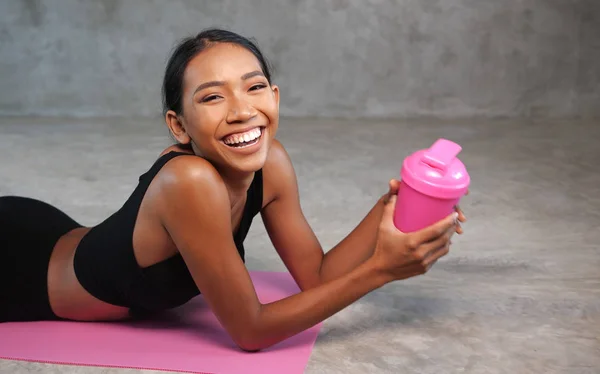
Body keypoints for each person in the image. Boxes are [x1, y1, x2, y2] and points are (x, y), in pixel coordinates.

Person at [0, 28, 466, 351]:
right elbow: (250, 331)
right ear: (178, 125)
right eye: (212, 96)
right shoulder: (189, 181)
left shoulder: (273, 162)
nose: (243, 111)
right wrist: (382, 270)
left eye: (254, 87)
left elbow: (318, 278)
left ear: (275, 98)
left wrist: (398, 201)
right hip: (15, 268)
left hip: (48, 227)